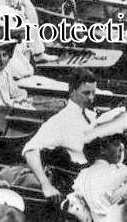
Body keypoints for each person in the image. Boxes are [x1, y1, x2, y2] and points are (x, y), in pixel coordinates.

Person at [22, 69, 100, 200]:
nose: (91, 98)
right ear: (72, 92)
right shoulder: (60, 121)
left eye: (93, 93)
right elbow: (29, 150)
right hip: (76, 183)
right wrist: (45, 184)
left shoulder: (92, 116)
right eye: (86, 93)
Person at [0, 40, 33, 109]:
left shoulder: (6, 71)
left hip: (8, 105)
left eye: (4, 55)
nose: (2, 59)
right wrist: (16, 103)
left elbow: (13, 91)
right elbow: (0, 104)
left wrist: (22, 95)